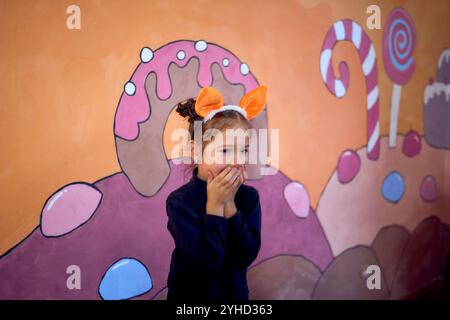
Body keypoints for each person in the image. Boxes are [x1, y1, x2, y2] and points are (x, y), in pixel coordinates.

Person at [165, 85, 267, 301]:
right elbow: (207, 265)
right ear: (196, 151)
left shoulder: (248, 198)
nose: (238, 160)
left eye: (244, 150)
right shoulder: (179, 202)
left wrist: (229, 204)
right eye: (225, 150)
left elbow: (245, 256)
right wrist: (214, 206)